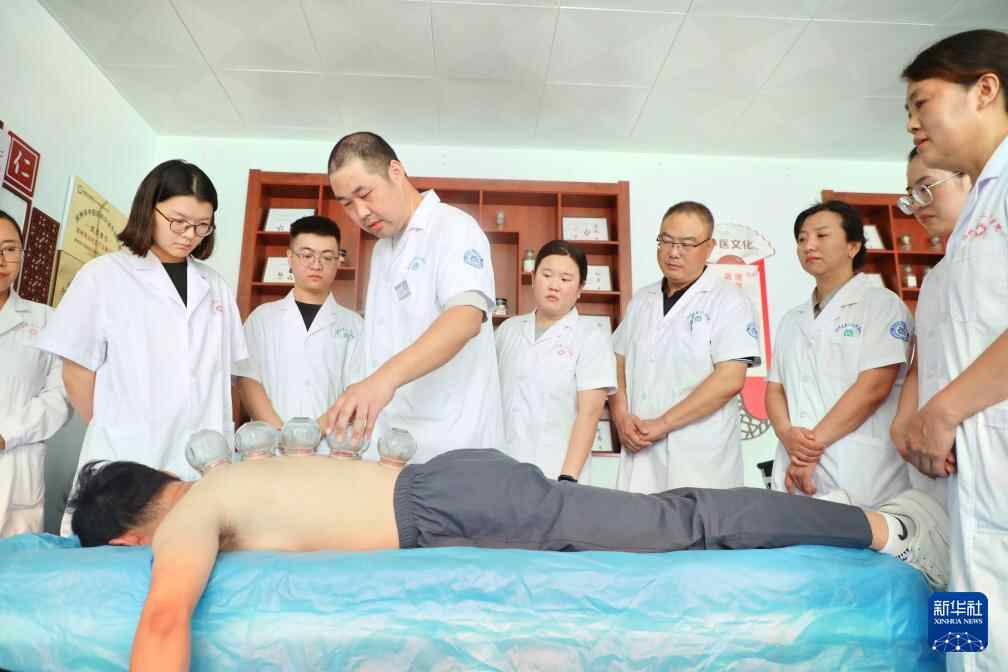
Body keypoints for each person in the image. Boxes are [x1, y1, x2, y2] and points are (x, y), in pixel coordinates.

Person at [68, 451, 949, 672]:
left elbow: (164, 619)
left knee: (677, 525)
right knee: (670, 520)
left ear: (128, 539)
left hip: (449, 505)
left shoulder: (192, 512)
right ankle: (880, 524)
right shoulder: (228, 479)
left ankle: (886, 528)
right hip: (447, 493)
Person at [37, 160, 247, 533]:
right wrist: (117, 429)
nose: (190, 235)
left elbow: (224, 376)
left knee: (195, 550)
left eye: (202, 225)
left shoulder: (214, 286)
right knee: (118, 552)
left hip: (203, 459)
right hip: (128, 454)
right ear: (149, 208)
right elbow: (76, 373)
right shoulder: (104, 275)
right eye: (179, 221)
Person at [901, 28, 1008, 672]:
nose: (913, 123)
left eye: (922, 103)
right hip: (962, 469)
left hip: (982, 446)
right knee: (963, 609)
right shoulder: (966, 236)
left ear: (985, 90)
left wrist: (941, 411)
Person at [321, 132, 503, 462]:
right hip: (391, 444)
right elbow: (378, 347)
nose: (361, 213)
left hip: (451, 443)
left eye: (365, 194)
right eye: (347, 204)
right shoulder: (382, 250)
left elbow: (465, 319)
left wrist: (382, 382)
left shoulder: (453, 227)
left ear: (395, 171)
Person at [765, 201, 912, 508]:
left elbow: (874, 387)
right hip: (796, 465)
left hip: (857, 469)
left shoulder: (881, 305)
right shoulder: (792, 319)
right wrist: (787, 434)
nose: (809, 245)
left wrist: (810, 448)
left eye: (821, 235)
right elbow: (775, 388)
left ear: (853, 246)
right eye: (802, 238)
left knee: (860, 534)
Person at [609, 201, 760, 492]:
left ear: (709, 247)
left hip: (698, 459)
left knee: (696, 519)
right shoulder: (642, 300)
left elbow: (730, 379)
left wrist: (663, 423)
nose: (674, 252)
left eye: (687, 244)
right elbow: (617, 359)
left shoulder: (729, 301)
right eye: (666, 241)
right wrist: (621, 417)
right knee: (636, 519)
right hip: (640, 452)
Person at [890, 147, 972, 505]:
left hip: (979, 431)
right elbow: (921, 363)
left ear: (970, 178)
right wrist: (903, 422)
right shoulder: (934, 280)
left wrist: (942, 414)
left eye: (926, 188)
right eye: (911, 196)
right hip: (936, 450)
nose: (918, 205)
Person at [495, 240, 616, 481]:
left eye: (565, 279)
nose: (554, 285)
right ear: (533, 278)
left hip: (556, 472)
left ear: (580, 288)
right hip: (503, 468)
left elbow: (589, 414)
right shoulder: (507, 330)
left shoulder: (591, 337)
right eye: (547, 275)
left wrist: (568, 478)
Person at [234, 215, 362, 430]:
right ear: (290, 258)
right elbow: (248, 380)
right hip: (272, 441)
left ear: (338, 261)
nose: (316, 265)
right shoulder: (262, 318)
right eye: (307, 255)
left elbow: (356, 391)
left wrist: (312, 433)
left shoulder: (355, 325)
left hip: (331, 441)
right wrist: (280, 433)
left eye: (327, 257)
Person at [0, 210, 71, 536]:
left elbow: (60, 397)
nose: (2, 260)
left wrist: (6, 435)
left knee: (13, 565)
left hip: (17, 471)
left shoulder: (47, 320)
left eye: (10, 249)